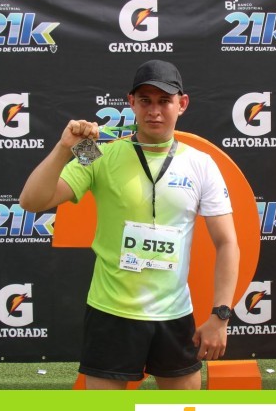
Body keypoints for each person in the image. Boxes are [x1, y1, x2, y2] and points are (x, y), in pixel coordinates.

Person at [20, 59, 240, 390]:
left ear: (182, 104)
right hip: (111, 314)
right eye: (145, 101)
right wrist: (64, 148)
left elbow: (227, 242)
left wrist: (220, 316)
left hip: (173, 315)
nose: (155, 111)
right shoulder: (98, 155)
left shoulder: (200, 164)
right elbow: (31, 201)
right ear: (131, 103)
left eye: (164, 101)